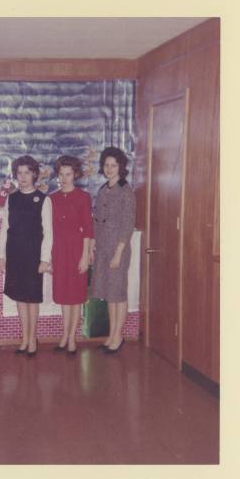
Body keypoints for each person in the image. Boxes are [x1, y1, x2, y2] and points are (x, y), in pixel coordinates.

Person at [0, 155, 52, 357]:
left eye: (27, 172)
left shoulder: (43, 200)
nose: (23, 177)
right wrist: (0, 255)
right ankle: (24, 338)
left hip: (33, 255)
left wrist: (45, 260)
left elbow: (48, 233)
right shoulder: (12, 199)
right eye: (19, 173)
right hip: (15, 254)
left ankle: (33, 339)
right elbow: (5, 228)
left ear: (34, 174)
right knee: (20, 297)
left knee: (32, 298)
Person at [90, 146, 136, 354]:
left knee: (118, 292)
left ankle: (118, 336)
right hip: (103, 248)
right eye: (106, 165)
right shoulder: (102, 190)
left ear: (121, 167)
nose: (109, 169)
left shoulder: (126, 191)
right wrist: (93, 244)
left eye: (113, 165)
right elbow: (98, 221)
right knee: (109, 293)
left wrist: (118, 253)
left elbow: (127, 225)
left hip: (118, 249)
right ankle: (111, 334)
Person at [50, 155, 93, 355]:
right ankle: (64, 335)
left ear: (75, 175)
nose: (65, 178)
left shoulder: (83, 197)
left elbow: (88, 229)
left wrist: (85, 256)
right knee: (63, 295)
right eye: (61, 174)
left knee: (75, 296)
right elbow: (47, 231)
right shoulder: (52, 198)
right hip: (59, 252)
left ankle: (72, 337)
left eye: (68, 174)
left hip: (77, 251)